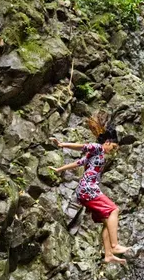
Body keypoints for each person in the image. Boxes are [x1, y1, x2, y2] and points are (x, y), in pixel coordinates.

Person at [49, 113, 130, 265]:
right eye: (113, 147)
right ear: (107, 142)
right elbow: (82, 146)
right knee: (114, 210)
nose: (113, 150)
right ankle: (115, 245)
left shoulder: (95, 155)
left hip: (86, 190)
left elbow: (78, 163)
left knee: (108, 221)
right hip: (88, 189)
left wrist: (59, 169)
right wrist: (61, 144)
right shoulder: (98, 148)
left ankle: (108, 255)